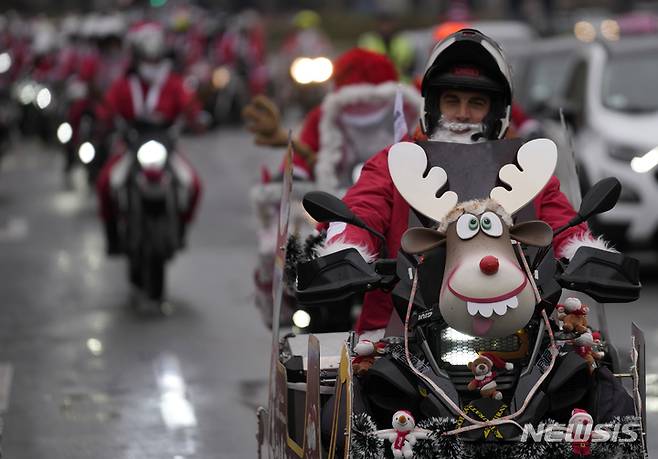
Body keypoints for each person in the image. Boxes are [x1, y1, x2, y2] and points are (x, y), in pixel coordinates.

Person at [318, 29, 613, 333]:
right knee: (369, 378)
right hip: (402, 326)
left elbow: (560, 219)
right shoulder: (396, 161)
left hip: (516, 319)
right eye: (451, 100)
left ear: (496, 111)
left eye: (476, 103)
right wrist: (346, 248)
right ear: (432, 105)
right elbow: (362, 205)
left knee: (589, 373)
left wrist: (585, 253)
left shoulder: (522, 168)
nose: (462, 113)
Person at [95, 21, 202, 254]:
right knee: (104, 184)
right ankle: (112, 236)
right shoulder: (124, 84)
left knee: (194, 185)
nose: (152, 64)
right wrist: (103, 120)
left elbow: (191, 106)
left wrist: (198, 118)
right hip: (131, 144)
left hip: (166, 145)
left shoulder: (173, 83)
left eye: (156, 59)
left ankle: (181, 229)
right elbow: (106, 107)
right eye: (147, 59)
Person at [242, 48, 402, 181]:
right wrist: (294, 173)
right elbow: (306, 148)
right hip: (337, 194)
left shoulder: (404, 116)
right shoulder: (323, 116)